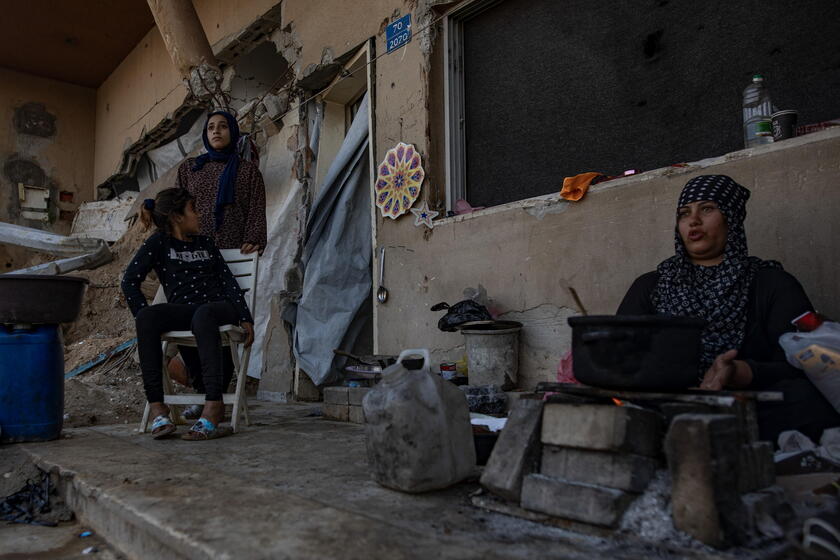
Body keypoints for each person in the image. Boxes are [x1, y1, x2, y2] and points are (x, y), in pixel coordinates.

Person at [618, 174, 840, 444]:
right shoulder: (652, 286)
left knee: (808, 399)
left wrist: (741, 372)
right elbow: (620, 353)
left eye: (707, 209)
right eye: (684, 213)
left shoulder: (769, 283)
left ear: (731, 218)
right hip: (669, 404)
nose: (693, 221)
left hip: (749, 405)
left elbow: (806, 362)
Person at [122, 188, 255, 440]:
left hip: (218, 308)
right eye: (194, 209)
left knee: (203, 313)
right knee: (148, 317)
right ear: (177, 216)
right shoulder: (158, 243)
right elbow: (130, 281)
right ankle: (158, 409)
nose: (199, 214)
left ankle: (214, 407)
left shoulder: (206, 243)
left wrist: (245, 317)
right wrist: (143, 316)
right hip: (186, 312)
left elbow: (228, 281)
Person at [171, 110, 267, 415]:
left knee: (222, 325)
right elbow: (175, 208)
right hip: (195, 255)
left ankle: (215, 393)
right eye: (211, 127)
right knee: (189, 319)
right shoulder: (190, 170)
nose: (216, 131)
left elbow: (255, 209)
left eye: (223, 126)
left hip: (231, 255)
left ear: (233, 132)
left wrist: (253, 237)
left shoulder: (248, 172)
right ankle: (201, 391)